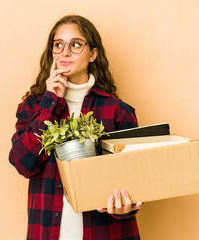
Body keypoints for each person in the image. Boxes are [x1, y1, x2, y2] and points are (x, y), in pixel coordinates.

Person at [9, 15, 143, 240]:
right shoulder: (33, 106)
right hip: (49, 233)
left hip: (106, 234)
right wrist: (50, 102)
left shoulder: (117, 111)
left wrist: (125, 208)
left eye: (76, 44)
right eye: (58, 45)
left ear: (93, 54)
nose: (65, 52)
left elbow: (136, 181)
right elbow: (23, 164)